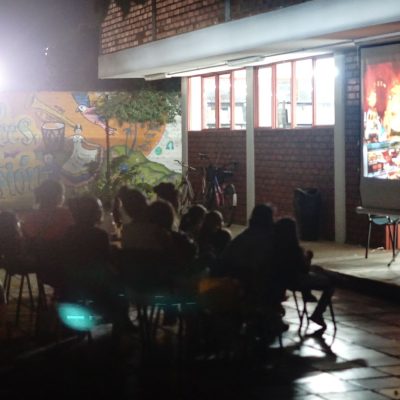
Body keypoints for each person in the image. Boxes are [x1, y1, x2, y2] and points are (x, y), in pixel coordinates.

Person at [274, 217, 334, 329]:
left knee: (318, 270)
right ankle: (318, 313)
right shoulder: (294, 249)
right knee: (330, 284)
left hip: (285, 281)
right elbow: (304, 269)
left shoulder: (274, 248)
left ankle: (308, 294)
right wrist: (307, 258)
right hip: (297, 280)